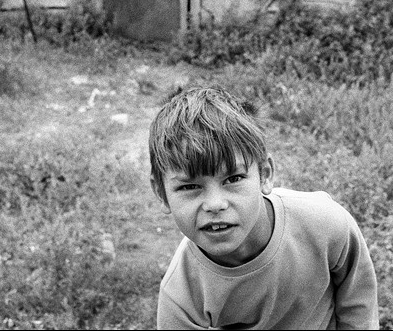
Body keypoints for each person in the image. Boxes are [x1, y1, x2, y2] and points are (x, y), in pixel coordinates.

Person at [148, 86, 379, 329]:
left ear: (265, 174)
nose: (215, 204)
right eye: (189, 187)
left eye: (233, 179)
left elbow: (358, 300)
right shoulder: (180, 295)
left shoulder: (325, 224)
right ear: (161, 193)